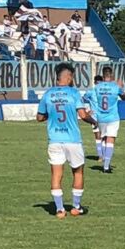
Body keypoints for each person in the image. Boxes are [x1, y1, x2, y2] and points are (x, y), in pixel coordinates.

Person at [37, 63, 99, 218]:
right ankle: (76, 207)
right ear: (68, 76)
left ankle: (59, 209)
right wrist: (94, 122)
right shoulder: (73, 93)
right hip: (72, 139)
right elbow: (83, 115)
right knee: (78, 172)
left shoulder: (48, 94)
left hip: (55, 140)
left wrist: (49, 115)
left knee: (56, 174)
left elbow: (39, 117)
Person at [85, 66, 125, 173]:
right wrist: (122, 88)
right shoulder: (115, 87)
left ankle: (102, 158)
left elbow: (88, 98)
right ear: (111, 75)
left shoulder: (97, 87)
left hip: (100, 117)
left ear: (103, 76)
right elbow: (124, 98)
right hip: (113, 117)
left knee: (102, 139)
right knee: (110, 139)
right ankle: (106, 167)